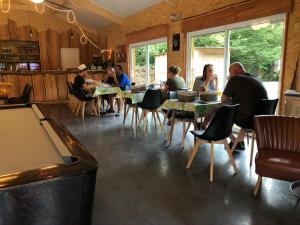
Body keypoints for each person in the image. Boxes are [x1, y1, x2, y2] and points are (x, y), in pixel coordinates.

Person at [221, 62, 268, 150]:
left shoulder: (235, 79)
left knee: (224, 114)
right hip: (263, 121)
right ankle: (238, 142)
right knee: (245, 111)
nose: (230, 76)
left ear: (234, 72)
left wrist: (231, 80)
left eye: (230, 73)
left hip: (247, 121)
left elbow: (223, 100)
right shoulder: (256, 78)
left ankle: (234, 141)